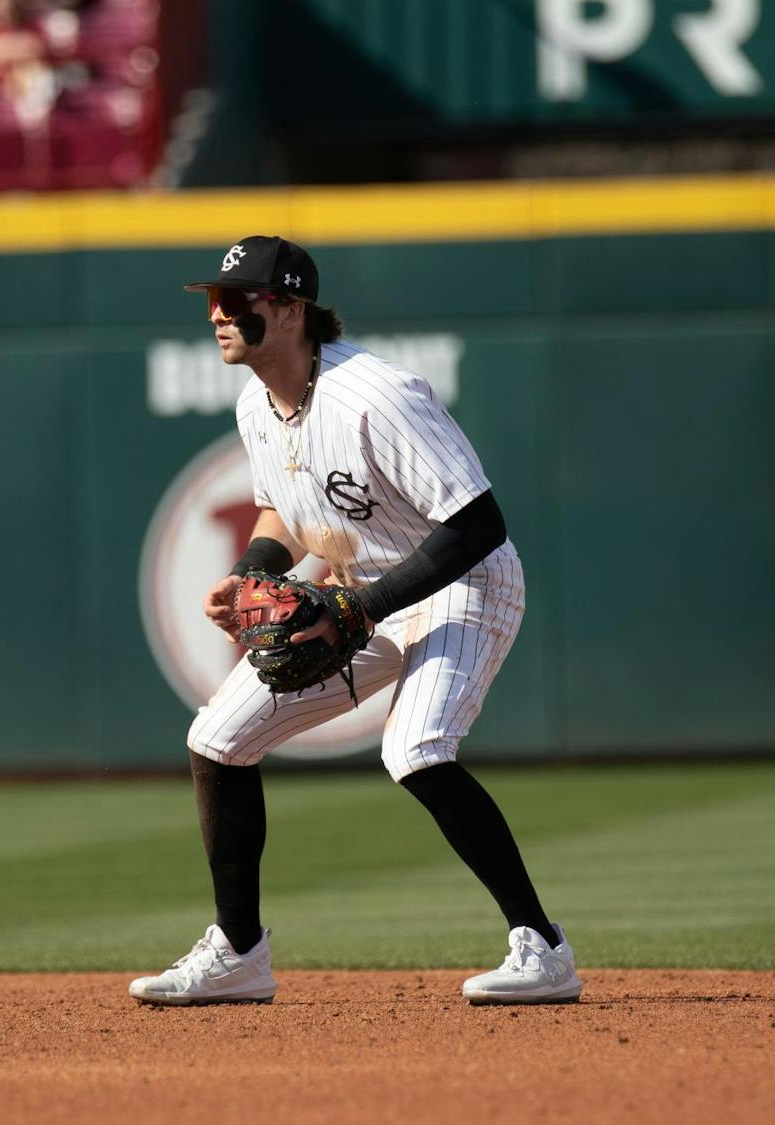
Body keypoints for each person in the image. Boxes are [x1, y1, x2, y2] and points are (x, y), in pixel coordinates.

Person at [128, 236, 581, 1007]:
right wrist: (251, 574)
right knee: (216, 740)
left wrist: (359, 607)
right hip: (362, 593)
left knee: (415, 748)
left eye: (238, 299)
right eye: (213, 299)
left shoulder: (376, 394)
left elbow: (478, 525)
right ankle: (239, 953)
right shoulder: (256, 404)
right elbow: (284, 512)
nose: (218, 313)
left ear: (293, 308)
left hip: (464, 586)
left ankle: (543, 949)